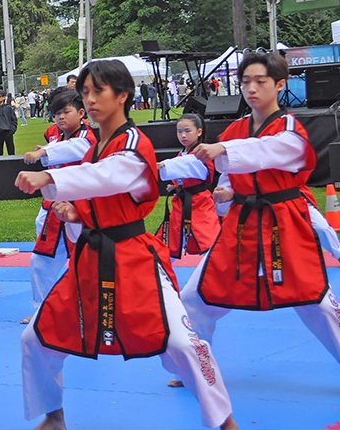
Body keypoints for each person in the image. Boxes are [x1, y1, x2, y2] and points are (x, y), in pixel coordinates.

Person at [14, 60, 236, 430]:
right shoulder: (94, 146)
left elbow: (110, 176)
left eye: (98, 91)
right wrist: (75, 213)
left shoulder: (133, 143)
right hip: (90, 257)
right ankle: (54, 416)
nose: (89, 99)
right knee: (35, 339)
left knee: (182, 344)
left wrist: (49, 175)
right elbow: (96, 191)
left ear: (123, 95)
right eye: (84, 92)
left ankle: (225, 422)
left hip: (132, 257)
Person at [179, 51, 340, 379]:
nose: (251, 89)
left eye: (260, 81)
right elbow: (225, 179)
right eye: (245, 82)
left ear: (280, 84)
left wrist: (225, 150)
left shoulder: (290, 128)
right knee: (196, 297)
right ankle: (198, 366)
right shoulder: (235, 129)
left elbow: (273, 150)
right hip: (242, 224)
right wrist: (224, 195)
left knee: (316, 303)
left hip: (284, 221)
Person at [20, 88, 97, 324]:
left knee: (87, 263)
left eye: (66, 112)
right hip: (54, 207)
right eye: (56, 114)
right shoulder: (54, 134)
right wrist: (44, 149)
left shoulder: (88, 138)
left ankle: (92, 309)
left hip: (80, 210)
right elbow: (56, 145)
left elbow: (73, 149)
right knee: (40, 260)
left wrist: (44, 152)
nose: (61, 117)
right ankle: (43, 309)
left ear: (81, 113)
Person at [156, 113, 218, 262]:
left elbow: (191, 166)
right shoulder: (182, 153)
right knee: (170, 237)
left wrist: (164, 164)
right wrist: (176, 186)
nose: (183, 135)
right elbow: (183, 171)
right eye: (179, 131)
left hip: (200, 202)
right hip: (181, 202)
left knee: (209, 240)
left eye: (187, 131)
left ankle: (216, 269)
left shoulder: (203, 152)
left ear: (199, 131)